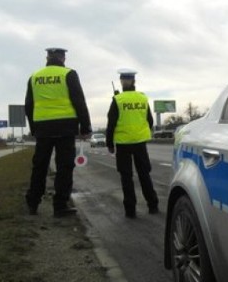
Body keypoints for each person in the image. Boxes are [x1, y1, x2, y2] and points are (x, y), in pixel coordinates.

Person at [24, 47, 92, 217]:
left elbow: (29, 105)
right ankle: (60, 205)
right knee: (64, 167)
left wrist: (34, 128)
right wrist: (85, 127)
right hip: (65, 127)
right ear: (62, 58)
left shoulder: (34, 77)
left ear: (47, 57)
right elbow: (79, 101)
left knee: (39, 166)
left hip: (43, 128)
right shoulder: (69, 74)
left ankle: (33, 203)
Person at [106, 69, 159, 218]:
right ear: (134, 81)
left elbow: (111, 123)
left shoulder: (117, 100)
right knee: (144, 174)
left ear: (122, 82)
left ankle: (130, 210)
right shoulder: (142, 98)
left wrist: (109, 143)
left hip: (123, 144)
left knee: (126, 176)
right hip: (140, 143)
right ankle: (153, 205)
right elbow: (150, 120)